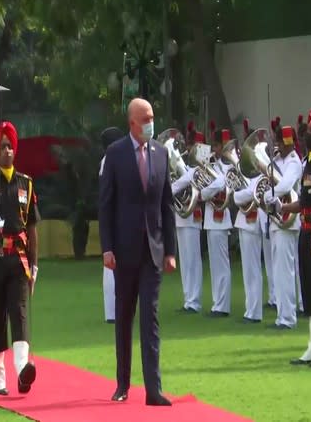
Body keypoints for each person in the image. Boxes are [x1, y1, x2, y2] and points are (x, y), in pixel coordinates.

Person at [98, 97, 176, 406]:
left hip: (153, 250)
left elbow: (167, 205)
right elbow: (105, 205)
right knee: (124, 317)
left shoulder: (161, 154)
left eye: (152, 118)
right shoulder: (115, 154)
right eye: (145, 119)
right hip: (124, 249)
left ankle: (153, 389)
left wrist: (170, 250)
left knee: (150, 319)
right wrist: (107, 248)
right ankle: (122, 384)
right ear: (132, 122)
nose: (150, 123)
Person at [0, 121, 39, 395]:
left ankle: (23, 368)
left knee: (20, 312)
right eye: (2, 146)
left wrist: (34, 267)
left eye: (11, 146)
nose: (7, 151)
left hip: (19, 259)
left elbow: (33, 228)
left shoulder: (26, 183)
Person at [268, 109, 311, 368]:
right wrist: (282, 207)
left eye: (309, 131)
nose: (305, 135)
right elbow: (304, 202)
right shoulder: (308, 163)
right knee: (308, 289)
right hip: (306, 231)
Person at [264, 124, 303, 328]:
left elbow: (286, 185)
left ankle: (288, 318)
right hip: (276, 220)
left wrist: (267, 196)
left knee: (285, 271)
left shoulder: (294, 161)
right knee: (278, 271)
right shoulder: (278, 160)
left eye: (280, 142)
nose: (278, 145)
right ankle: (281, 315)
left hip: (288, 220)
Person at [170, 122, 204, 313]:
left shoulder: (200, 165)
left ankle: (195, 300)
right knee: (184, 260)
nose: (189, 149)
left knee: (193, 259)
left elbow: (189, 178)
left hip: (192, 217)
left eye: (192, 146)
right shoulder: (187, 165)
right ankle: (188, 299)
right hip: (181, 216)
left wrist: (168, 188)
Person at [233, 120, 265, 323]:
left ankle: (254, 312)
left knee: (253, 269)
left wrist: (243, 195)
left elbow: (251, 193)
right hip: (244, 220)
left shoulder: (257, 169)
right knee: (247, 270)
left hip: (253, 221)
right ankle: (249, 309)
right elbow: (236, 197)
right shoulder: (246, 169)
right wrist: (243, 195)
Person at [201, 122, 234, 317]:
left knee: (221, 263)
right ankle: (217, 303)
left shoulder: (230, 165)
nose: (214, 149)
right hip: (211, 218)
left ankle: (223, 306)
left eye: (217, 145)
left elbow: (220, 184)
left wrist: (203, 193)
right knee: (215, 265)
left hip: (221, 219)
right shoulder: (212, 164)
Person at [99, 126, 125, 323]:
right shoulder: (111, 160)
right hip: (117, 218)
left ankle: (112, 312)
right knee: (113, 266)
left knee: (110, 268)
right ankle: (115, 312)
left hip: (113, 217)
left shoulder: (106, 160)